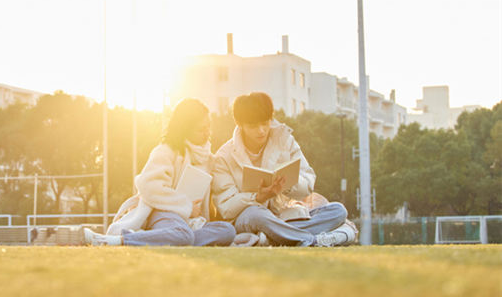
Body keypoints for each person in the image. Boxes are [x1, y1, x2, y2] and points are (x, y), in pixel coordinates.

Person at [84, 98, 236, 246]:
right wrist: (187, 207)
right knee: (183, 234)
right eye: (201, 129)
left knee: (227, 231)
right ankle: (121, 240)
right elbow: (149, 187)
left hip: (190, 221)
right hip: (161, 212)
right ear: (185, 130)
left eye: (208, 127)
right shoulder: (166, 151)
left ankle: (169, 238)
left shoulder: (210, 160)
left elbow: (215, 197)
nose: (207, 133)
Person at [212, 92, 356, 247]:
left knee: (338, 211)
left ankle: (274, 237)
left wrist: (287, 184)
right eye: (253, 126)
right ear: (239, 124)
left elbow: (308, 182)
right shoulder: (224, 156)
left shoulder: (285, 140)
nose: (261, 131)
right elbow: (225, 207)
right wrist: (257, 198)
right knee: (256, 215)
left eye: (265, 123)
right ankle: (313, 240)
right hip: (249, 217)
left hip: (283, 215)